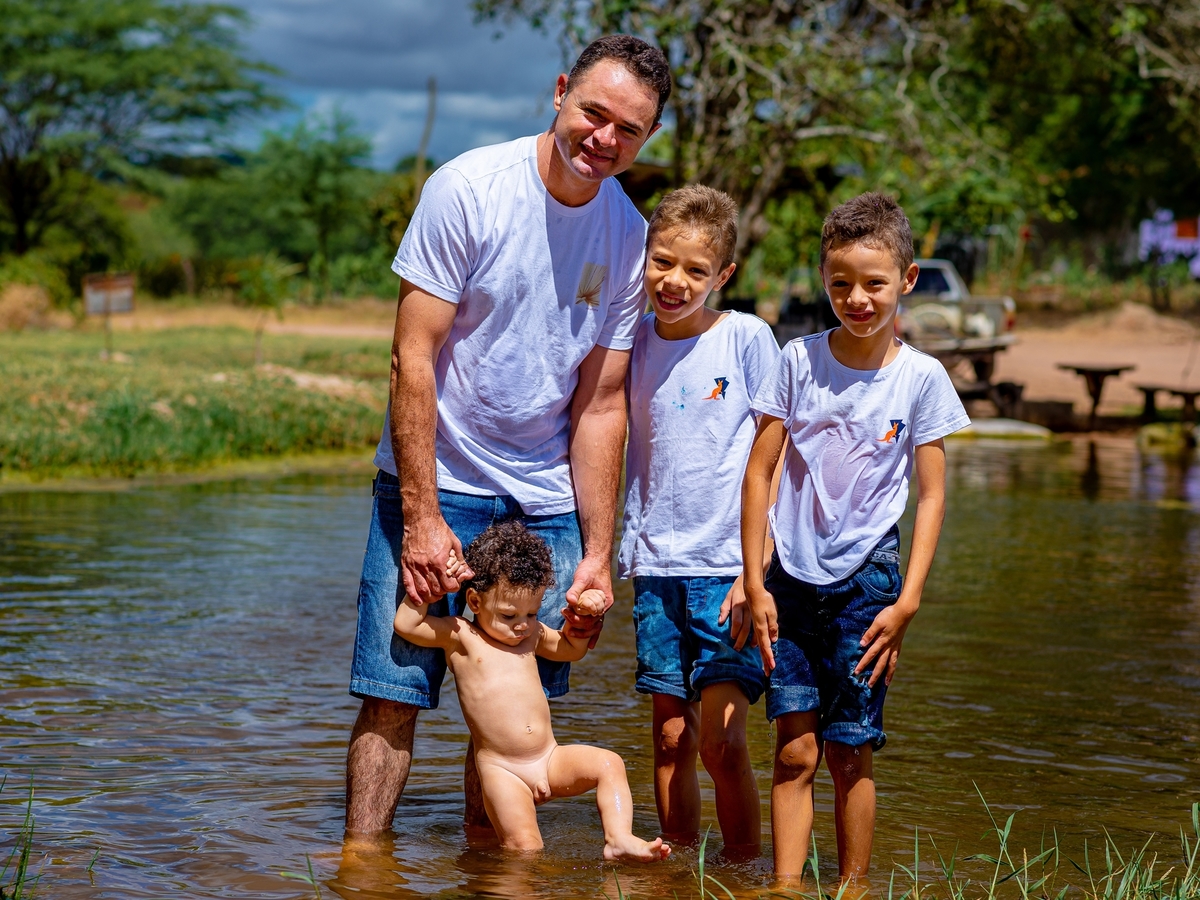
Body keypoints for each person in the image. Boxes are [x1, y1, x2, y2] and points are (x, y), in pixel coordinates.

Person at [344, 35, 672, 835]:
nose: (605, 140)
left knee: (514, 726)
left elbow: (600, 405)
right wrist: (421, 518)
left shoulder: (628, 236)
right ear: (560, 92)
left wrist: (598, 551)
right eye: (594, 113)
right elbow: (410, 358)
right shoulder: (468, 189)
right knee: (393, 693)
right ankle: (363, 870)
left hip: (545, 500)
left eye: (629, 131)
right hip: (439, 478)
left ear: (646, 140)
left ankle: (489, 878)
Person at [740, 192, 970, 882]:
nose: (857, 298)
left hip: (869, 580)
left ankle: (852, 888)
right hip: (786, 583)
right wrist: (753, 579)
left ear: (906, 280)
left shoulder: (921, 378)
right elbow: (760, 471)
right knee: (793, 751)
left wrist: (908, 603)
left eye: (874, 283)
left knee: (850, 751)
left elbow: (930, 497)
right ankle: (783, 890)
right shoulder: (797, 360)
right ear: (823, 279)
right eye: (840, 283)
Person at [617, 185, 780, 853]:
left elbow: (777, 459)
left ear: (724, 275)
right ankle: (676, 868)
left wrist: (756, 570)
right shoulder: (630, 341)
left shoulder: (746, 338)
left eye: (695, 270)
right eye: (662, 262)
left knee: (721, 742)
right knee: (669, 737)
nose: (674, 281)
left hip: (727, 572)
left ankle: (743, 872)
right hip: (656, 565)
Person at [393, 520, 671, 860]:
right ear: (475, 602)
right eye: (509, 615)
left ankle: (618, 838)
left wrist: (581, 618)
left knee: (609, 763)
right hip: (502, 771)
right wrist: (430, 590)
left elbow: (570, 649)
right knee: (525, 852)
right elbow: (407, 625)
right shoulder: (460, 635)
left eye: (532, 612)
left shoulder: (533, 633)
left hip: (548, 758)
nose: (522, 624)